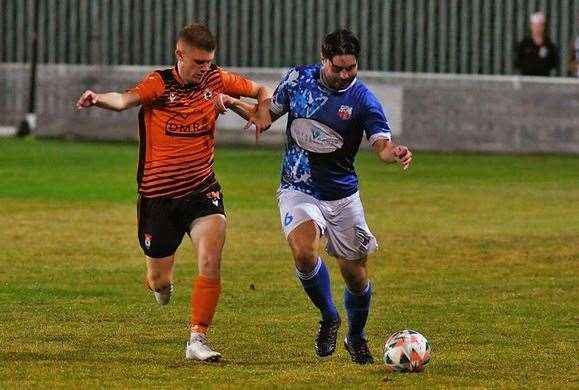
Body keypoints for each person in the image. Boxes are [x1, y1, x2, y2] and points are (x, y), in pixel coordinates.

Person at [76, 23, 272, 362]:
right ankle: (158, 284)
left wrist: (262, 110)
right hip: (158, 199)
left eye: (209, 62)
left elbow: (262, 90)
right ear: (179, 55)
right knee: (159, 281)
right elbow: (123, 100)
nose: (205, 69)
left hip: (202, 191)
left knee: (210, 259)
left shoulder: (215, 79)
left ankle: (198, 339)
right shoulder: (159, 83)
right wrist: (98, 100)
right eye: (198, 62)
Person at [224, 29, 412, 364]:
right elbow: (267, 115)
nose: (345, 74)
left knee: (355, 276)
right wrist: (235, 104)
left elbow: (381, 145)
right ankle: (329, 317)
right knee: (304, 251)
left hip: (341, 195)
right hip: (297, 186)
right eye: (338, 67)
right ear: (323, 59)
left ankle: (355, 336)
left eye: (351, 68)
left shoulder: (364, 100)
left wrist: (394, 152)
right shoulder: (298, 79)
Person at [515, 11, 560, 76]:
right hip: (526, 80)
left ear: (543, 27)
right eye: (535, 25)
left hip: (544, 81)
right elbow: (518, 63)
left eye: (540, 25)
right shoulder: (524, 44)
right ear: (531, 26)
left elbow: (553, 63)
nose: (537, 28)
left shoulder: (549, 45)